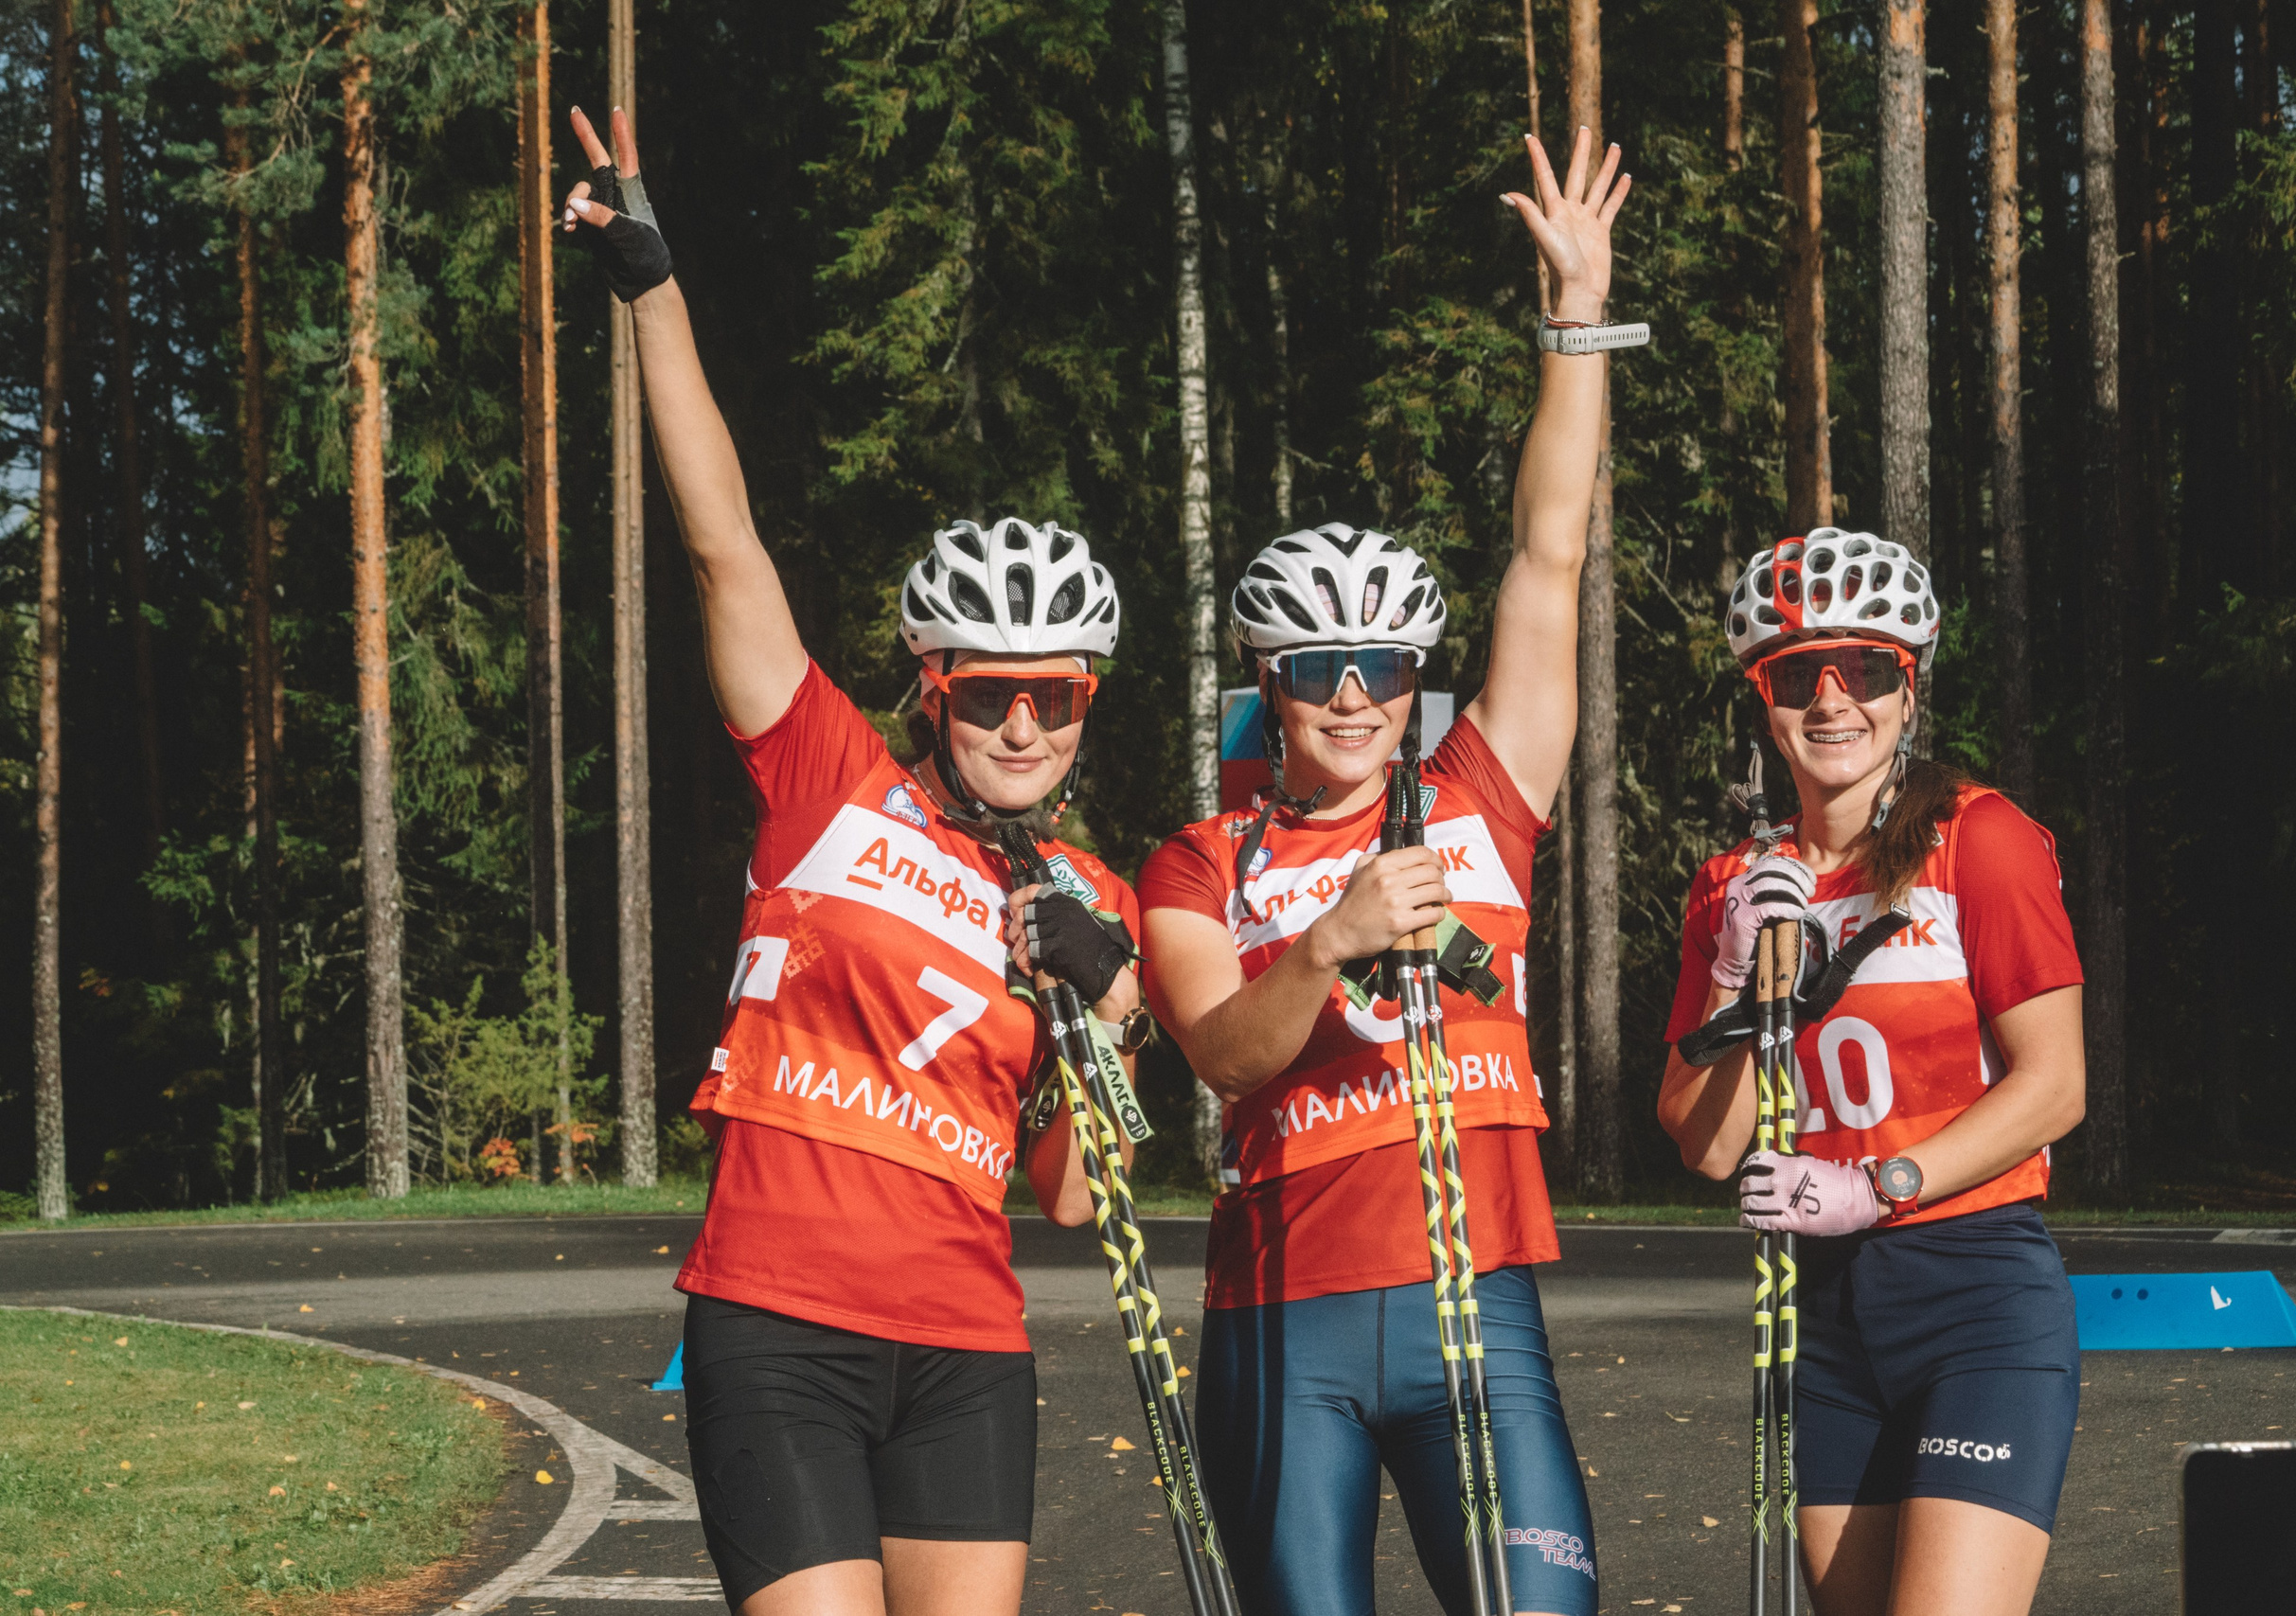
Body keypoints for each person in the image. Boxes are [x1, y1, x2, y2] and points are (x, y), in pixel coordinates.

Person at [561, 105, 1145, 1616]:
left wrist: (1114, 1003)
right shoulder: (830, 781)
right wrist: (652, 285)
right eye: (989, 692)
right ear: (934, 689)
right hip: (777, 1321)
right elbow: (725, 547)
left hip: (968, 1347)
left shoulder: (1096, 896)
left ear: (1085, 706)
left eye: (1055, 697)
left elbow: (1081, 1200)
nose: (1022, 723)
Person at [1139, 129, 1631, 1616]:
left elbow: (1549, 555)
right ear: (1269, 685)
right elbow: (1222, 1048)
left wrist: (1577, 320)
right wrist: (1331, 937)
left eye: (1385, 668)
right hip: (1284, 1321)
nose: (1356, 698)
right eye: (1318, 669)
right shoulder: (1199, 853)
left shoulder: (1483, 788)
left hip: (1476, 1302)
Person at [1655, 531, 2089, 1615]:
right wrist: (1730, 966)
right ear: (1765, 698)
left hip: (1976, 1294)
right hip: (1828, 1322)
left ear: (1909, 690)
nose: (1832, 701)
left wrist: (1877, 1185)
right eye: (1799, 675)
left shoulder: (1975, 841)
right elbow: (1706, 1145)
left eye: (1868, 672)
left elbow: (2055, 1088)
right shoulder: (1731, 887)